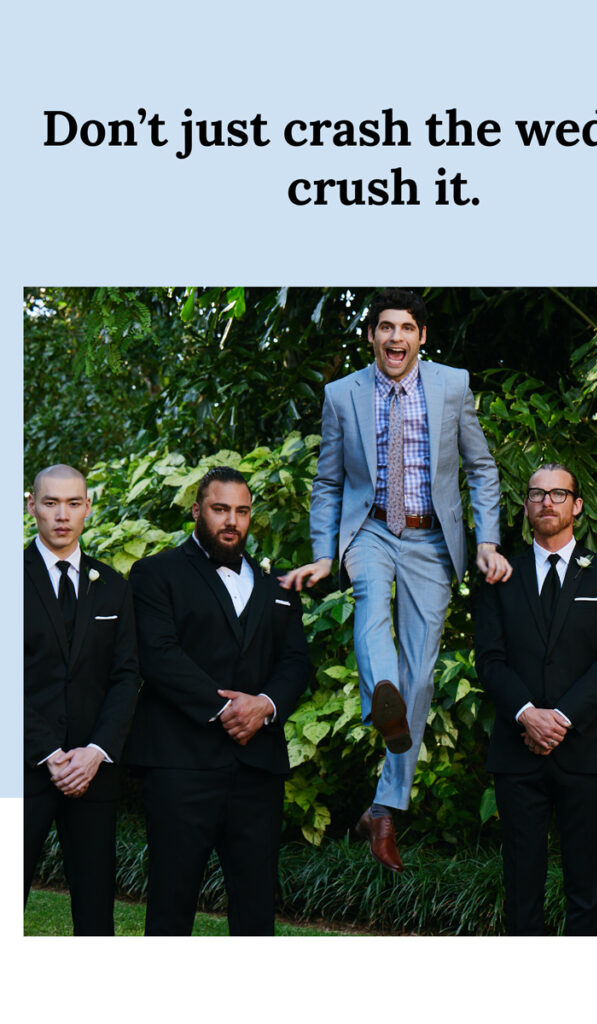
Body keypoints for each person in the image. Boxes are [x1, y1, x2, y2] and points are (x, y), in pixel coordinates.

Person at [280, 289, 510, 871]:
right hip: (372, 531)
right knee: (370, 610)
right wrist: (325, 554)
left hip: (432, 538)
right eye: (385, 327)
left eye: (406, 327)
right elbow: (329, 482)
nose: (395, 338)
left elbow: (481, 468)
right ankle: (383, 698)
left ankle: (384, 806)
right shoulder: (342, 395)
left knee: (423, 671)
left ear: (421, 337)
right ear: (371, 337)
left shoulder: (452, 386)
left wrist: (486, 540)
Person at [127, 466, 311, 935]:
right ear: (197, 511)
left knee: (255, 912)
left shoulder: (278, 588)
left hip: (257, 771)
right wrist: (228, 708)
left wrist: (265, 705)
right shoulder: (156, 573)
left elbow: (295, 663)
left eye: (242, 511)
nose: (232, 520)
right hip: (180, 767)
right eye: (220, 509)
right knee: (171, 907)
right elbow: (159, 654)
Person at [475, 463, 597, 935]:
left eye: (559, 494)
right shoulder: (500, 574)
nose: (547, 502)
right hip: (517, 753)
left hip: (582, 749)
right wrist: (527, 715)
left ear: (577, 507)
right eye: (537, 494)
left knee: (586, 881)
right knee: (521, 880)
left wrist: (559, 718)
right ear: (525, 505)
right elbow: (490, 660)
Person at [24, 464, 140, 935]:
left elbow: (127, 675)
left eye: (73, 503)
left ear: (88, 508)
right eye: (50, 503)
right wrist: (49, 753)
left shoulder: (112, 585)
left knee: (95, 914)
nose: (62, 515)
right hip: (21, 768)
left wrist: (95, 752)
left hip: (93, 774)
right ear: (31, 507)